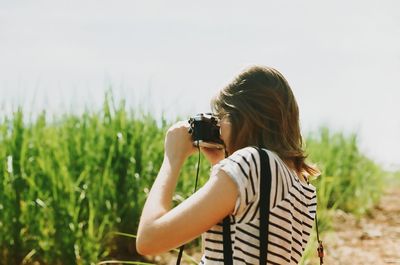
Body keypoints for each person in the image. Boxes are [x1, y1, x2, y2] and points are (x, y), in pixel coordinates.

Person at [136, 65, 320, 264]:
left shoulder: (250, 163)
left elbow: (149, 239)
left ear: (241, 117)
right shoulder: (302, 185)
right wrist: (222, 164)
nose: (219, 128)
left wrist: (172, 158)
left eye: (221, 117)